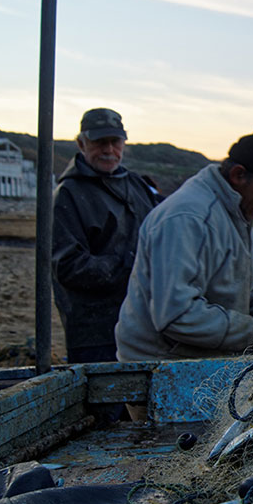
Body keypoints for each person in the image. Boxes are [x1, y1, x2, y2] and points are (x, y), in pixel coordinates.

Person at [115, 127, 253, 361]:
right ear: (238, 175)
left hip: (204, 356)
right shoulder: (187, 218)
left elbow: (251, 286)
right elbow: (176, 314)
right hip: (160, 363)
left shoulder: (242, 213)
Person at [52, 108, 160, 364]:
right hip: (96, 334)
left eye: (115, 142)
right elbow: (67, 266)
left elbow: (165, 230)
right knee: (106, 400)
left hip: (143, 325)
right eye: (99, 142)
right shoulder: (68, 194)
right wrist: (131, 266)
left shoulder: (138, 186)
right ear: (81, 143)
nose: (108, 150)